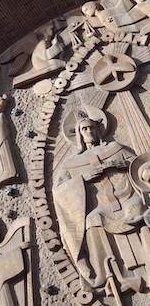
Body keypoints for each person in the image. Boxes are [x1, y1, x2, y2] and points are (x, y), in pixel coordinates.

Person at [53, 115, 142, 290]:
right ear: (78, 135)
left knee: (136, 211)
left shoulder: (116, 148)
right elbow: (59, 190)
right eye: (84, 129)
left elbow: (142, 165)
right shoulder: (72, 163)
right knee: (92, 220)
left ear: (98, 130)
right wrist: (83, 178)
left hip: (128, 198)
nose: (89, 132)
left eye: (91, 127)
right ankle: (106, 275)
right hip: (102, 207)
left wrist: (124, 164)